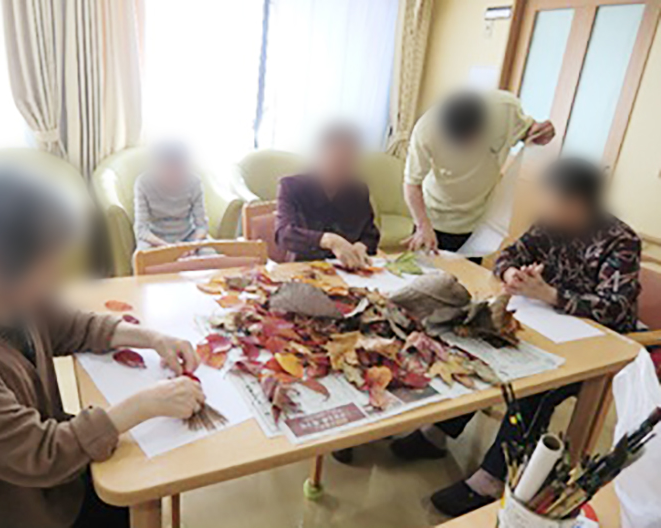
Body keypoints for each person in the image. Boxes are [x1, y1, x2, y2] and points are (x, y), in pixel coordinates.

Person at [0, 170, 205, 528]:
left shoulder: (6, 294)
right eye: (46, 272)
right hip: (21, 507)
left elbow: (71, 326)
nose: (53, 285)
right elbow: (39, 452)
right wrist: (143, 405)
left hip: (58, 477)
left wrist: (154, 339)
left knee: (138, 477)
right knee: (136, 486)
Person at [391, 158, 642, 517]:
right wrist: (512, 274)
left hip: (598, 343)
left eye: (551, 198)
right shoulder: (549, 225)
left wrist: (551, 294)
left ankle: (493, 478)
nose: (544, 205)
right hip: (545, 325)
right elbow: (509, 254)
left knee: (537, 386)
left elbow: (615, 308)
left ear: (577, 203)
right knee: (481, 345)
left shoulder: (620, 241)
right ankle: (437, 435)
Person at [403, 89, 555, 256]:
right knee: (423, 270)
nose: (465, 148)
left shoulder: (506, 110)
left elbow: (530, 133)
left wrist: (542, 133)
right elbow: (412, 184)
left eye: (469, 140)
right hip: (433, 219)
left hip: (477, 223)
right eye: (458, 142)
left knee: (466, 272)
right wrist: (423, 226)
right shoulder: (425, 130)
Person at [275, 123, 380, 268]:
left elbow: (370, 234)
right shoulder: (292, 186)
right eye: (337, 160)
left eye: (348, 161)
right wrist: (329, 240)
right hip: (306, 269)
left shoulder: (358, 190)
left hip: (348, 269)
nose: (342, 168)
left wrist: (362, 246)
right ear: (319, 155)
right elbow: (284, 235)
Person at [134, 143, 209, 250]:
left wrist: (192, 245)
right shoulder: (143, 183)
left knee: (210, 255)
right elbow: (141, 230)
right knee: (142, 256)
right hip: (155, 239)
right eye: (168, 169)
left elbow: (202, 226)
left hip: (188, 237)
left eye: (180, 169)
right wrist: (167, 247)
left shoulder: (194, 182)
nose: (174, 174)